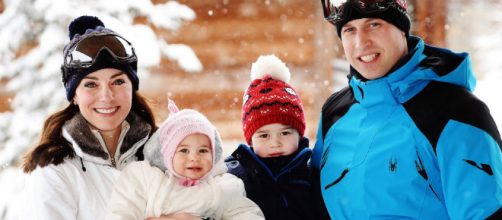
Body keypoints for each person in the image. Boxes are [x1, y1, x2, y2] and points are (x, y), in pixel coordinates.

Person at [311, 0, 502, 219]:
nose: (360, 42)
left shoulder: (455, 113)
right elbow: (312, 207)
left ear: (402, 29)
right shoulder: (335, 114)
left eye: (374, 25)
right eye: (349, 30)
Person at [20, 15, 158, 220]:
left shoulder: (164, 151)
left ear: (132, 87)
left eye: (118, 82)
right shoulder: (56, 169)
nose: (107, 96)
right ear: (74, 95)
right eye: (91, 84)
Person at [105, 100, 264, 219]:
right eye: (184, 150)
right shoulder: (145, 178)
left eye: (203, 150)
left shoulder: (221, 186)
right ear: (167, 153)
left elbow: (247, 215)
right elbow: (121, 211)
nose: (194, 158)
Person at [225, 55, 329, 220]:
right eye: (264, 135)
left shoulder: (313, 179)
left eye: (285, 133)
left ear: (299, 134)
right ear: (251, 140)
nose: (275, 143)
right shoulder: (234, 178)